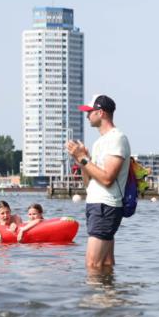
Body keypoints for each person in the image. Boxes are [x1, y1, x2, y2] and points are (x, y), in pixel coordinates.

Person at [66, 94, 132, 271]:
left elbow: (107, 179)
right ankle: (110, 297)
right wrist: (82, 161)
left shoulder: (116, 138)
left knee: (92, 265)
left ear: (101, 112)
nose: (87, 116)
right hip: (97, 204)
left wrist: (83, 159)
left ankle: (94, 299)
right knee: (106, 264)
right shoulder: (99, 143)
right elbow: (89, 183)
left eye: (90, 112)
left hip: (106, 206)